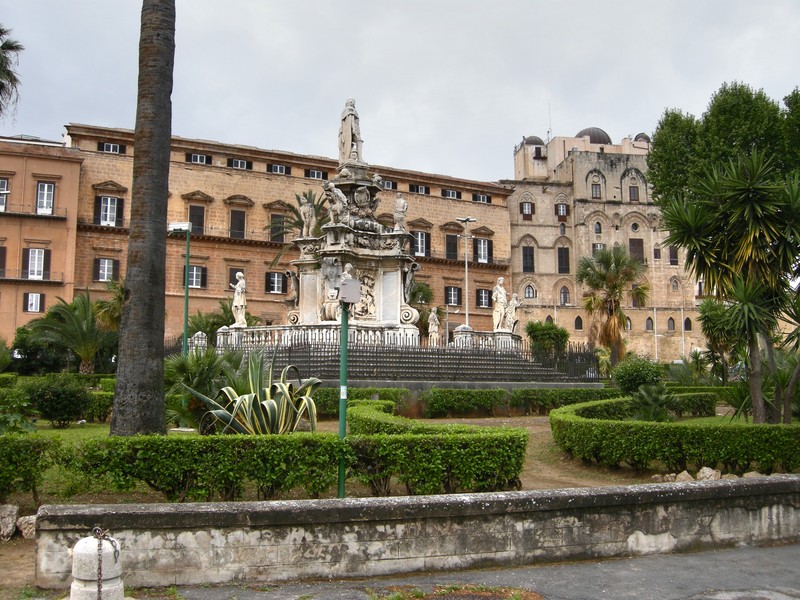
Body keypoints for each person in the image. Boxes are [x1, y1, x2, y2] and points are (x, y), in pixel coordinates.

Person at [338, 98, 362, 164]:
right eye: (353, 102)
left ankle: (356, 158)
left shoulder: (345, 110)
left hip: (349, 129)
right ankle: (359, 158)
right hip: (352, 128)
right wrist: (354, 129)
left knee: (354, 142)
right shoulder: (350, 109)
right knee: (359, 141)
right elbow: (350, 119)